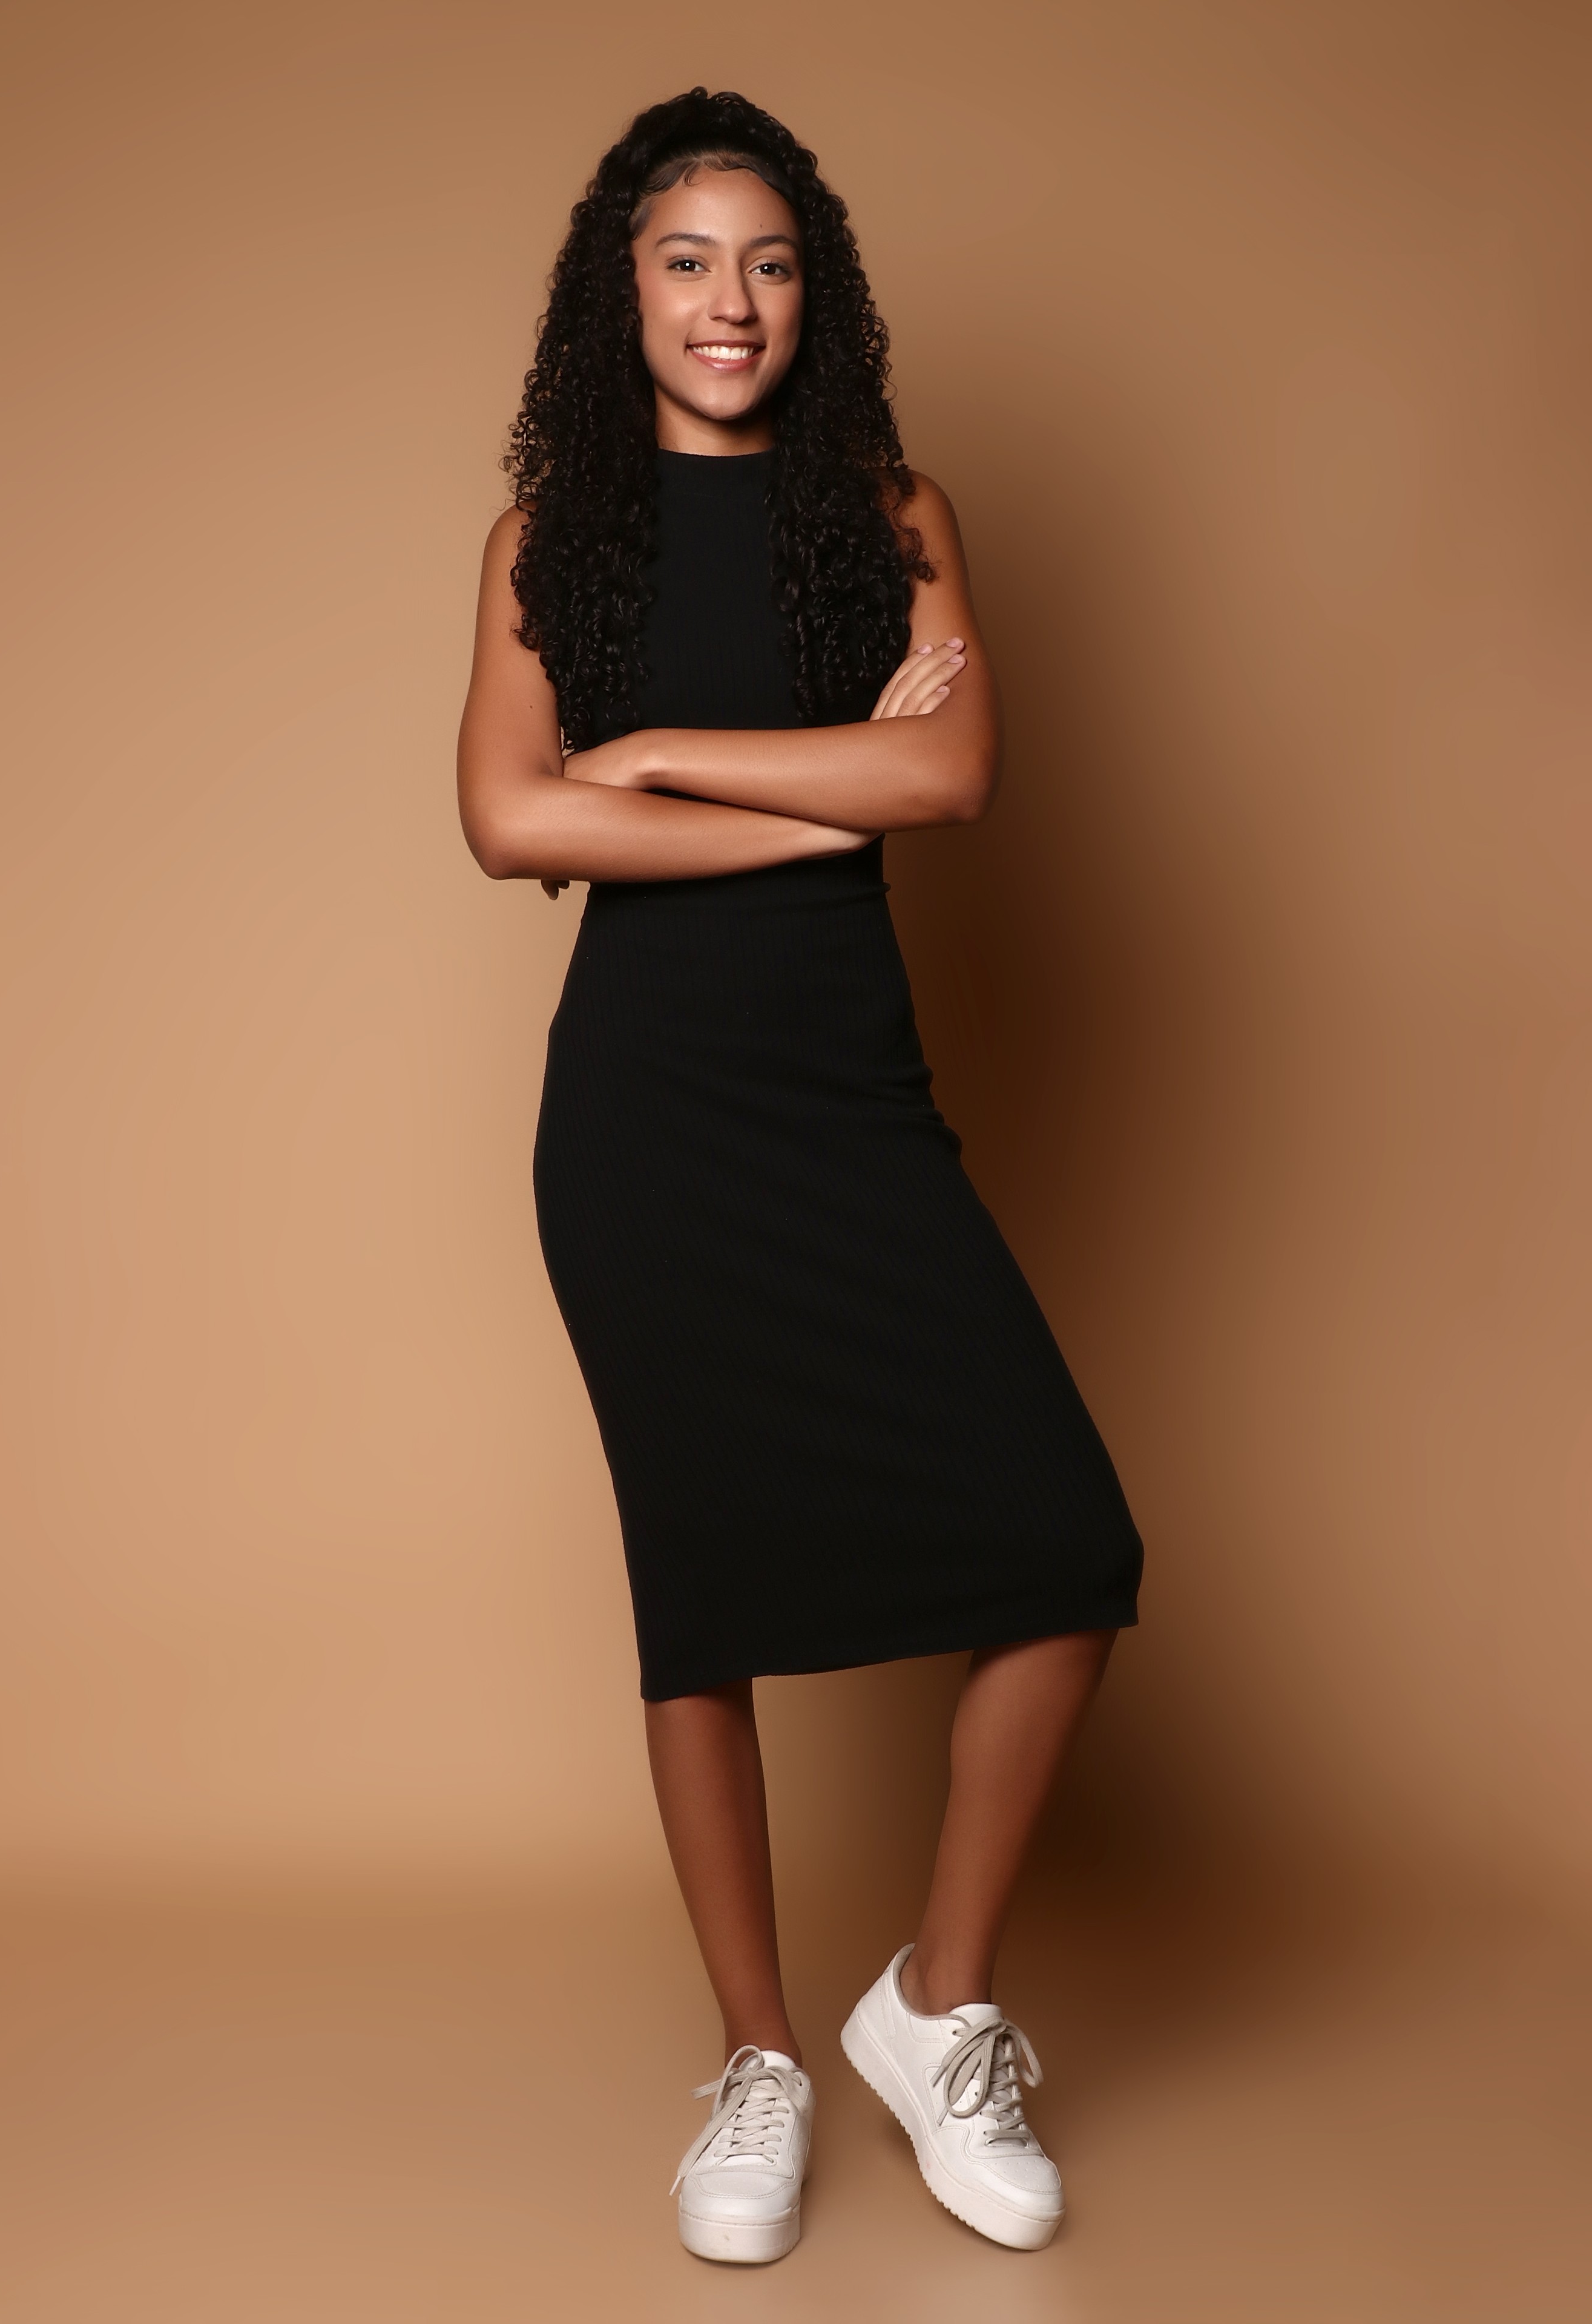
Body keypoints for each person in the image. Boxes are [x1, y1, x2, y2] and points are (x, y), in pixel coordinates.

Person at [457, 87, 1142, 2263]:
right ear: (620, 292)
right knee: (703, 1595)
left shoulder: (890, 511)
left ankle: (931, 2014)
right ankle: (757, 2061)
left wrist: (660, 755)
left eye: (766, 262)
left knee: (1066, 1548)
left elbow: (958, 770)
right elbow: (508, 821)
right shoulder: (548, 538)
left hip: (851, 1098)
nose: (727, 302)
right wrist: (830, 793)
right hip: (642, 1121)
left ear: (811, 291)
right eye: (685, 262)